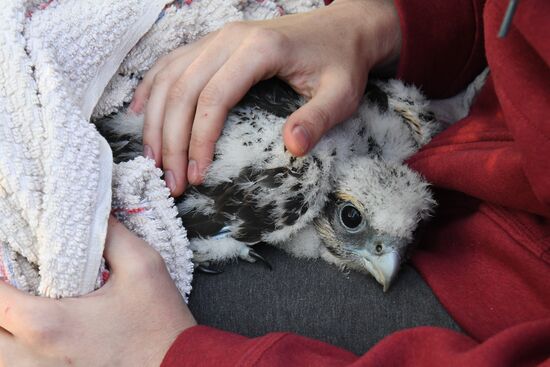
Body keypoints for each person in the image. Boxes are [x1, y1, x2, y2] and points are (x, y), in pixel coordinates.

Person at [1, 0, 549, 365]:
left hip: (500, 318)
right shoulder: (317, 171)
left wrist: (170, 353)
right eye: (354, 222)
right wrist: (374, 20)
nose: (387, 262)